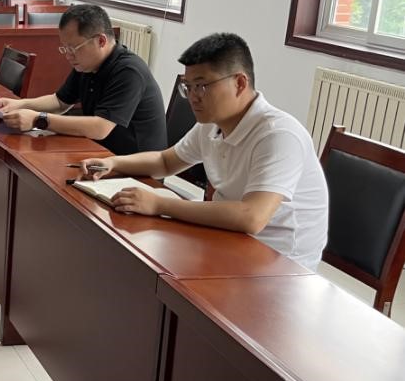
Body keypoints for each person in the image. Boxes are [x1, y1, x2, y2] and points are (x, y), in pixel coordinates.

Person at [78, 33, 329, 269]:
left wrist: (159, 204)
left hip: (281, 263)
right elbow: (165, 162)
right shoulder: (211, 125)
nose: (193, 97)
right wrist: (113, 163)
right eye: (187, 87)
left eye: (202, 86)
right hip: (229, 239)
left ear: (240, 83)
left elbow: (252, 217)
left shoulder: (278, 135)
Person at [0, 4, 167, 155]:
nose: (68, 55)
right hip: (100, 152)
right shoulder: (88, 64)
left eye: (73, 48)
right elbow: (60, 101)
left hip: (135, 166)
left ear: (101, 41)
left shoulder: (129, 71)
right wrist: (21, 104)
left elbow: (100, 128)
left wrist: (39, 119)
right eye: (65, 48)